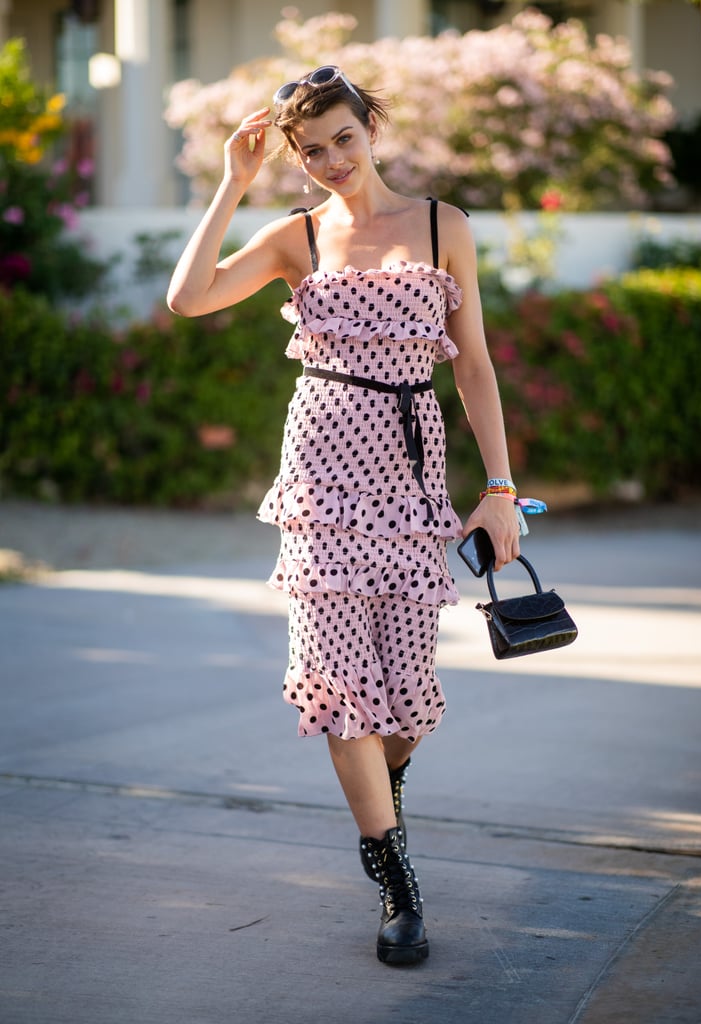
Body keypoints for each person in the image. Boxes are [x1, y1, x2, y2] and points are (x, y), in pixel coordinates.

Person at [167, 65, 520, 967]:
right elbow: (188, 298)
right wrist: (230, 186)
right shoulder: (297, 236)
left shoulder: (445, 226)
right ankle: (398, 886)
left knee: (402, 700)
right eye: (311, 150)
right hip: (319, 477)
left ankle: (382, 794)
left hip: (409, 480)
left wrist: (499, 490)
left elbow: (472, 365)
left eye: (344, 140)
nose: (330, 161)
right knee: (340, 687)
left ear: (373, 128)